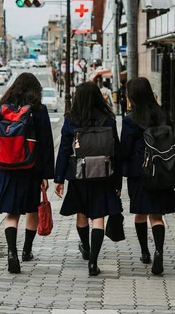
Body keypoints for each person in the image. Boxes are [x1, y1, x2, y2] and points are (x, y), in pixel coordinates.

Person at [0, 73, 55, 274]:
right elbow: (46, 143)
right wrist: (46, 174)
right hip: (31, 168)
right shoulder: (38, 110)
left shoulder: (1, 108)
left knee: (12, 213)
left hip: (5, 168)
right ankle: (26, 250)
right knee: (32, 209)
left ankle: (11, 253)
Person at [54, 82, 122, 276]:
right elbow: (116, 151)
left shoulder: (71, 119)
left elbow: (65, 151)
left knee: (82, 214)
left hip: (79, 175)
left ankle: (85, 246)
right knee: (98, 217)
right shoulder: (108, 119)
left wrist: (59, 179)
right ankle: (93, 262)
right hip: (103, 174)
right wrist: (118, 182)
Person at [120, 77, 175, 275]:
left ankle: (145, 252)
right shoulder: (163, 115)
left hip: (140, 173)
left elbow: (125, 150)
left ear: (133, 96)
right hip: (164, 171)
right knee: (157, 215)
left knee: (140, 214)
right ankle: (159, 251)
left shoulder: (130, 119)